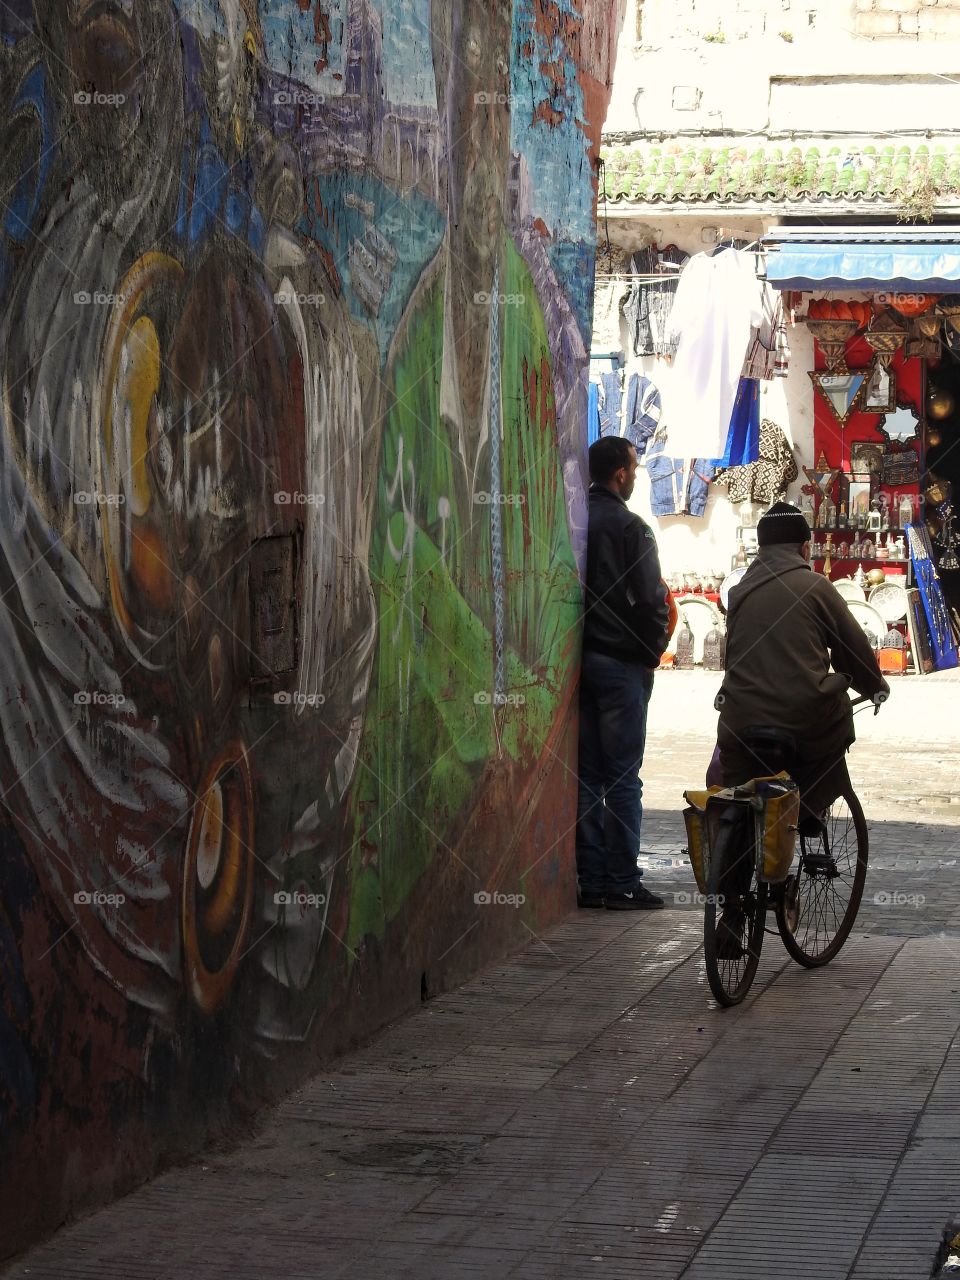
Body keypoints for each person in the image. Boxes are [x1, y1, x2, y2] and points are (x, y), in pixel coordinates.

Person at [714, 501, 889, 951]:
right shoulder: (815, 587)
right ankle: (808, 814)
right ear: (804, 546)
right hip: (799, 722)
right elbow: (852, 646)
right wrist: (874, 687)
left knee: (737, 798)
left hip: (739, 723)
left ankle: (733, 913)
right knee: (837, 721)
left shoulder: (739, 590)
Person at [576, 437, 670, 910]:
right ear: (621, 475)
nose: (636, 475)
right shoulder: (631, 527)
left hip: (583, 662)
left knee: (589, 774)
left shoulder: (575, 518)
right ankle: (623, 881)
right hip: (620, 665)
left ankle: (591, 880)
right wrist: (652, 650)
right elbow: (652, 598)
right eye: (634, 467)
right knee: (624, 778)